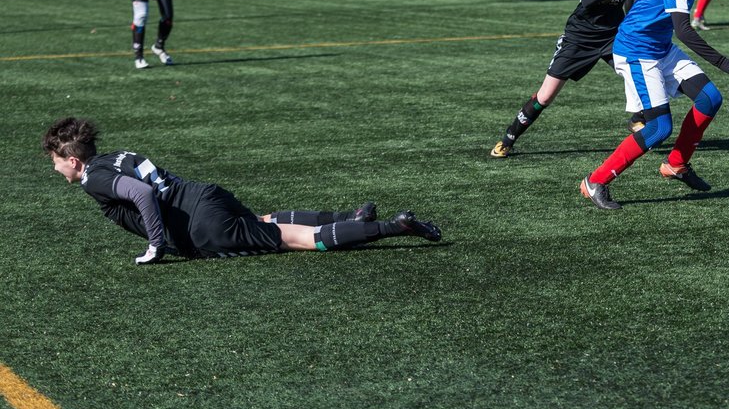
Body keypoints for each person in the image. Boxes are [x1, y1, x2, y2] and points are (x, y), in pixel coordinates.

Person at [43, 117, 442, 264]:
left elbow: (142, 196)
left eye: (55, 160)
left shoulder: (93, 177)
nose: (55, 167)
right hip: (204, 196)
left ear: (73, 160)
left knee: (295, 240)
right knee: (263, 220)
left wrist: (156, 244)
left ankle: (395, 227)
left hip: (201, 227)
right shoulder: (113, 156)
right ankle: (349, 218)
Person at [580, 0, 729, 211]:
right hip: (636, 51)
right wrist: (724, 62)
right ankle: (596, 180)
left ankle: (676, 163)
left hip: (659, 47)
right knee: (659, 128)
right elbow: (684, 29)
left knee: (710, 98)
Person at [491, 0, 644, 158]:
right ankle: (508, 138)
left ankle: (638, 119)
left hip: (612, 33)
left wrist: (630, 19)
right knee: (546, 95)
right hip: (580, 35)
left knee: (637, 70)